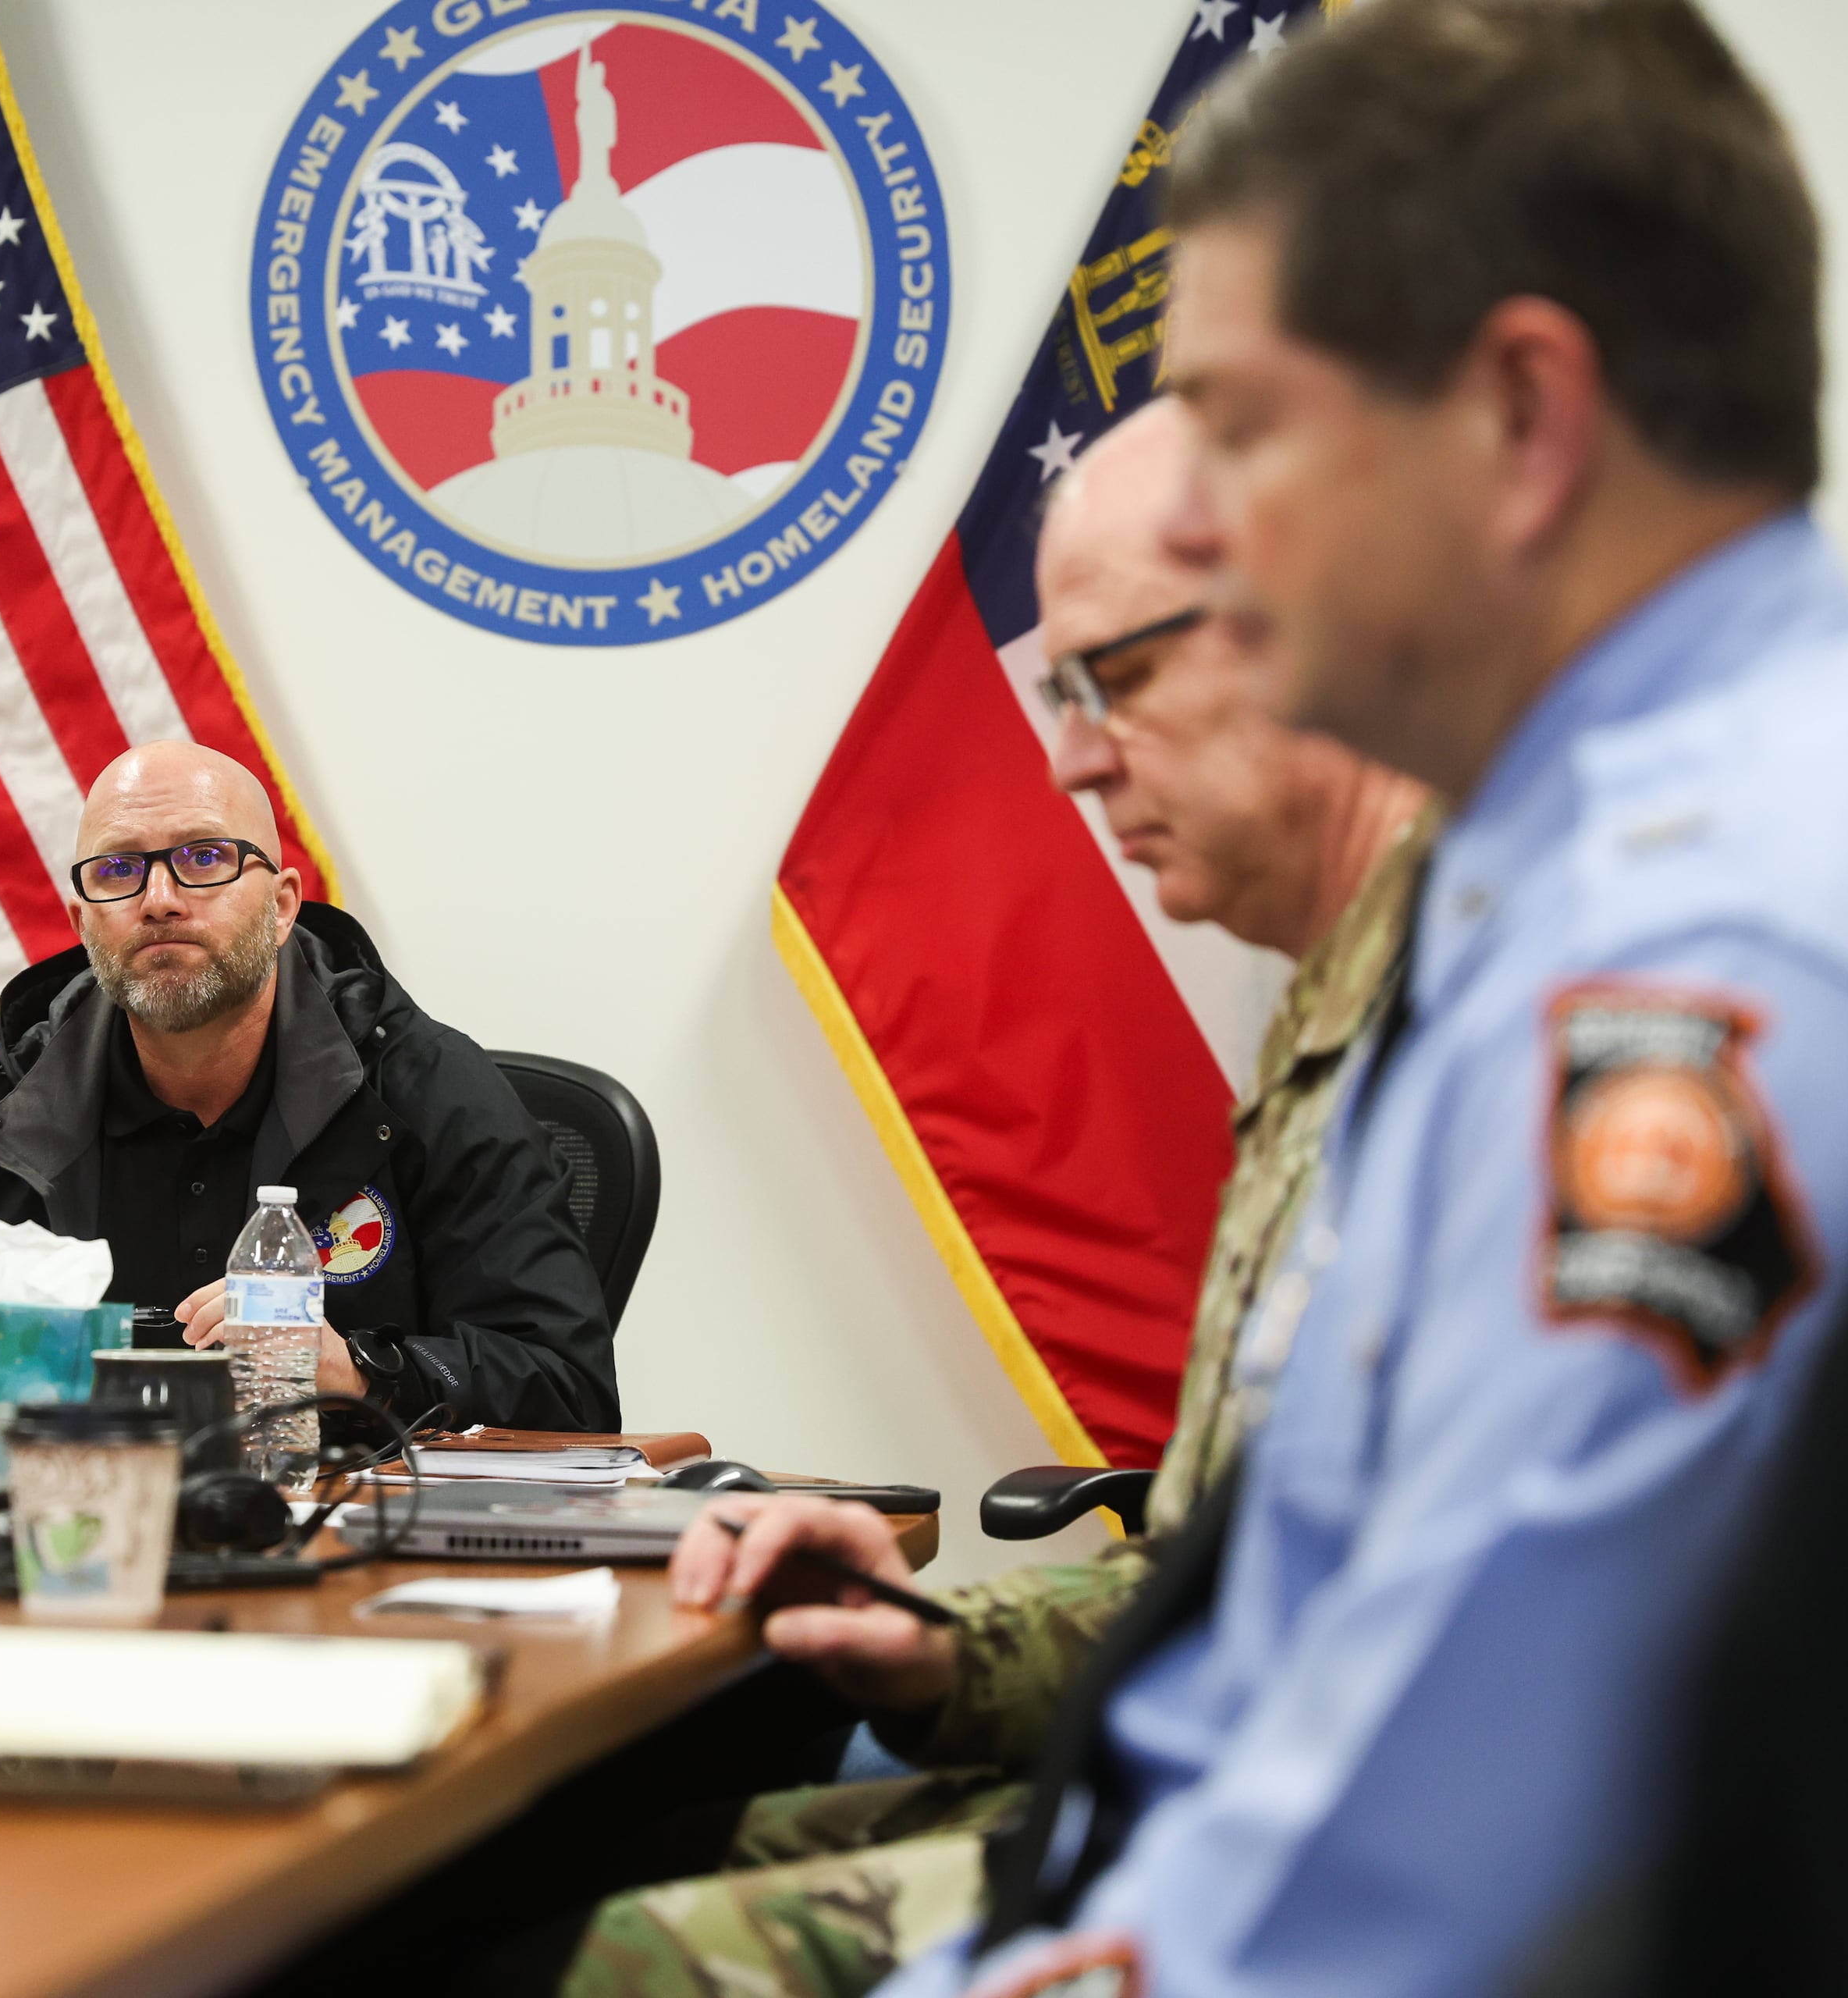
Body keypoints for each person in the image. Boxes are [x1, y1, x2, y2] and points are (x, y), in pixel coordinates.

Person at [857, 3, 1848, 1993]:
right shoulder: (1585, 872)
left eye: (1247, 431)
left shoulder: (1699, 966)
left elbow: (1422, 1870)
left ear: (1521, 420)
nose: (1211, 532)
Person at [558, 399, 1435, 1997]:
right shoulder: (1334, 1014)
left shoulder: (1512, 1018)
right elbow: (1233, 1579)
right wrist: (943, 1651)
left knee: (626, 1961)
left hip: (1333, 1864)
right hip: (1184, 1778)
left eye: (1122, 675)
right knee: (568, 1868)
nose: (1074, 753)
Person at [0, 740, 618, 1431]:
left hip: (351, 1563)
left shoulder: (424, 1086)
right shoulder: (8, 1110)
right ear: (82, 921)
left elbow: (568, 1387)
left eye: (205, 859)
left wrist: (363, 1372)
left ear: (284, 904)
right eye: (118, 873)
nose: (160, 900)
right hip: (69, 1547)